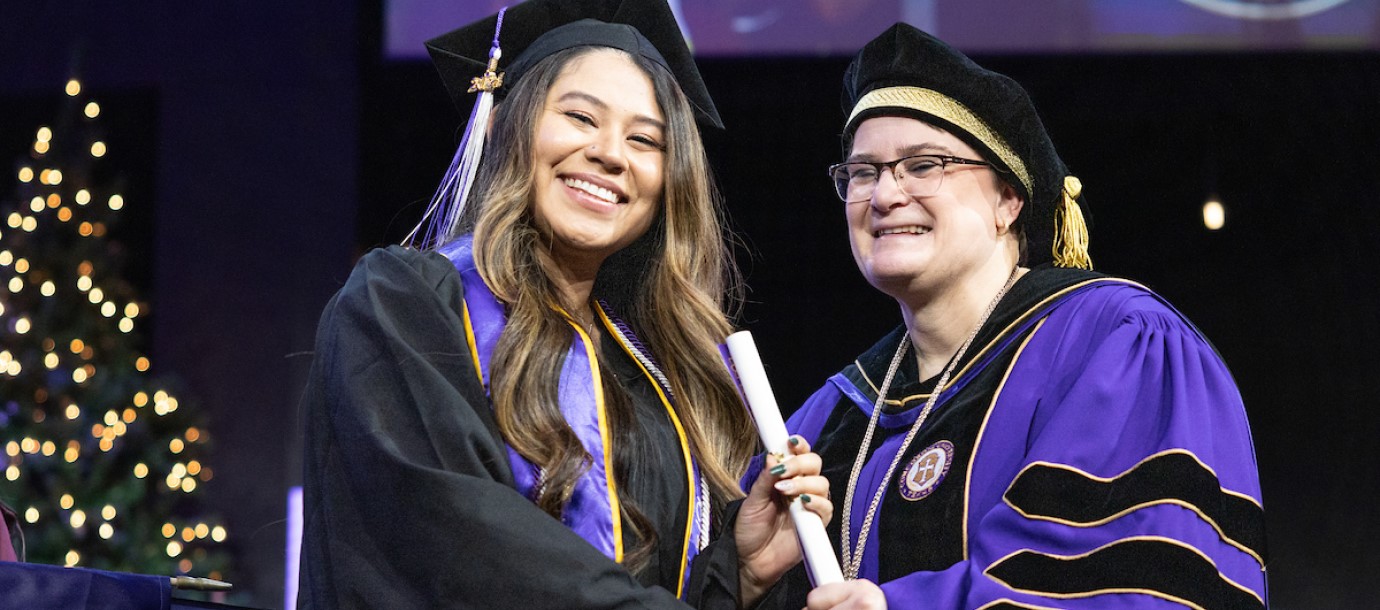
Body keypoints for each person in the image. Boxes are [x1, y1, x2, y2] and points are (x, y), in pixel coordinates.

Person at [299, 0, 831, 608]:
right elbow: (461, 547)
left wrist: (738, 571)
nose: (611, 153)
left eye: (644, 140)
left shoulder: (659, 375)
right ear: (502, 126)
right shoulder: (405, 305)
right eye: (580, 117)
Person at [754, 23, 1268, 609]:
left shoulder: (1115, 343)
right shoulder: (831, 418)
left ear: (1008, 200)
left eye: (923, 165)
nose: (884, 196)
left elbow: (1134, 580)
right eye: (863, 172)